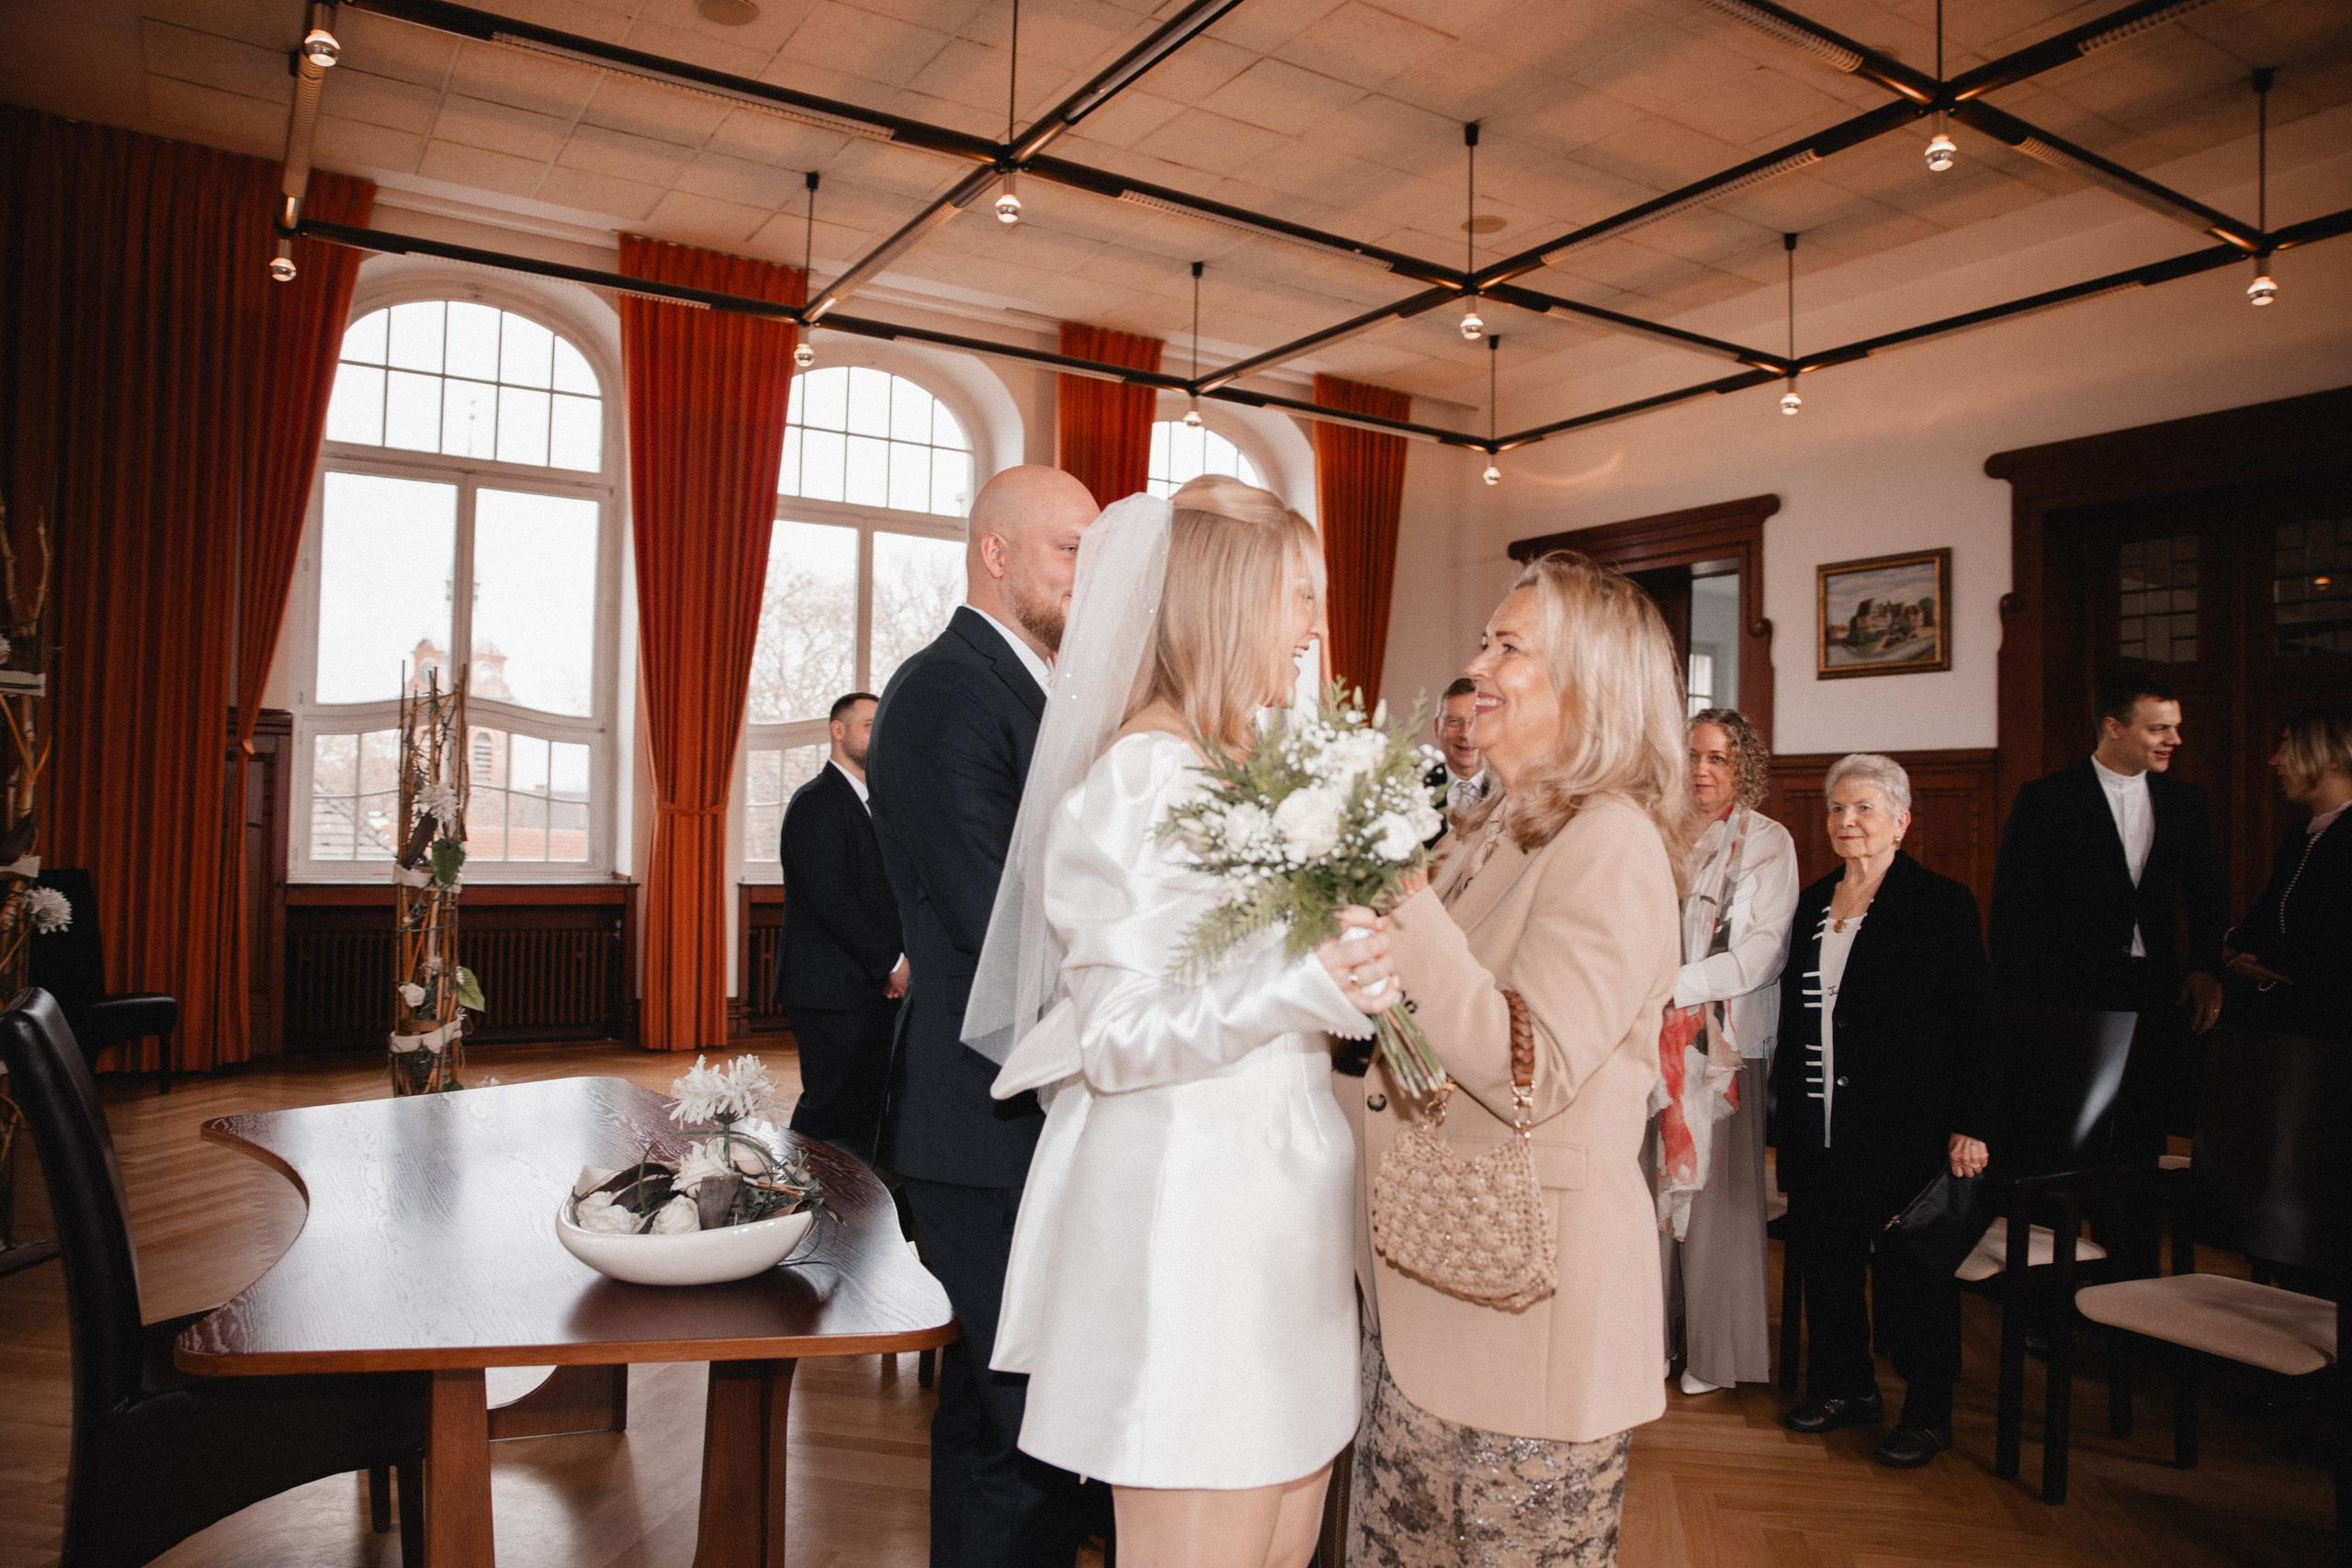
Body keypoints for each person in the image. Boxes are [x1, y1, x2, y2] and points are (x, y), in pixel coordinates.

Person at [985, 476, 1390, 1568]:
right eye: (1295, 596)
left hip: (1282, 1212)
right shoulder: (1141, 781)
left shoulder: (1240, 772)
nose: (1312, 626)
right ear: (1221, 602)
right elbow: (1116, 1038)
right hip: (1191, 1226)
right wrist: (1309, 987)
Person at [1347, 550, 1683, 1567]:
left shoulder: (1612, 840)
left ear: (1587, 681)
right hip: (1432, 1288)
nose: (1478, 665)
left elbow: (1523, 1065)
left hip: (1527, 1321)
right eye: (1483, 640)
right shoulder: (1497, 826)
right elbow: (1422, 1032)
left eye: (1508, 646)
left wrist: (1403, 901)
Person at [866, 462, 1101, 1568]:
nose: (1087, 573)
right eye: (1069, 549)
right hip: (981, 1121)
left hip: (1019, 1108)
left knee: (990, 1415)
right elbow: (993, 913)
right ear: (994, 553)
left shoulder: (1034, 687)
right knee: (1025, 1430)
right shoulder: (949, 690)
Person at [1772, 753, 1997, 1470]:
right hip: (1818, 1118)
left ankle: (1929, 1413)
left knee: (1912, 1274)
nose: (1847, 821)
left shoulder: (1940, 901)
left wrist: (1974, 1119)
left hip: (1906, 1123)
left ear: (1901, 820)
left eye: (1865, 808)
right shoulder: (1811, 902)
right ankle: (1847, 1388)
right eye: (1837, 808)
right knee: (1826, 1258)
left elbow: (1976, 1018)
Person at [1989, 672, 2228, 1174]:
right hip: (2066, 993)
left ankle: (2134, 1254)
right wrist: (2017, 1005)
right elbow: (2013, 909)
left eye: (2175, 727)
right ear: (2113, 726)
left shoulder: (2186, 802)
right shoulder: (2045, 799)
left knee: (2141, 1135)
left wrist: (2207, 967)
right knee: (2060, 1138)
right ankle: (2060, 1249)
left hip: (2155, 993)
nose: (2175, 740)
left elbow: (2207, 895)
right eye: (2159, 729)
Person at [1652, 707, 1798, 1395]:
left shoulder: (1769, 842)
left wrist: (1674, 984)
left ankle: (1715, 1353)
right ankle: (1646, 1343)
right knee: (1648, 1193)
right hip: (1648, 1040)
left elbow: (1764, 951)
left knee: (1719, 1204)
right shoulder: (1656, 831)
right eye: (1693, 755)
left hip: (1725, 1048)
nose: (1702, 770)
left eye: (1718, 758)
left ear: (1742, 767)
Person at [773, 691, 904, 1162]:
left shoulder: (880, 802)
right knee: (826, 1109)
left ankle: (853, 1214)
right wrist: (891, 962)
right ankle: (793, 1196)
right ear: (838, 730)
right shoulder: (815, 802)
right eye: (868, 724)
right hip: (827, 989)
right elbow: (832, 900)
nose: (878, 732)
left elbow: (888, 894)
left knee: (863, 1109)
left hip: (869, 985)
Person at [2223, 705, 2352, 1044]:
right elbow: (2265, 921)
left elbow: (2333, 949)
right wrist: (2234, 948)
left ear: (2333, 758)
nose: (2274, 761)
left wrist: (2258, 955)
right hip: (2287, 1023)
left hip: (2333, 1032)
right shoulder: (2300, 835)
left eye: (2286, 747)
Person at [1430, 675, 1492, 814]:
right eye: (1454, 721)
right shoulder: (1412, 789)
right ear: (1437, 728)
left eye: (1476, 722)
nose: (1465, 734)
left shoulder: (1512, 791)